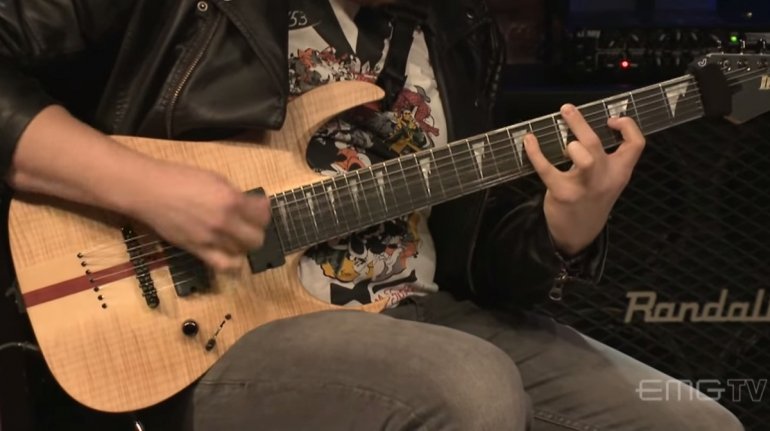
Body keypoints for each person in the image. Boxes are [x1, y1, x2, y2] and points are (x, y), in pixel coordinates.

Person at [0, 0, 744, 430]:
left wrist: (565, 227)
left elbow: (472, 254)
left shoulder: (454, 30)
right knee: (469, 386)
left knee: (697, 423)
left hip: (422, 311)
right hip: (215, 322)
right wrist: (150, 189)